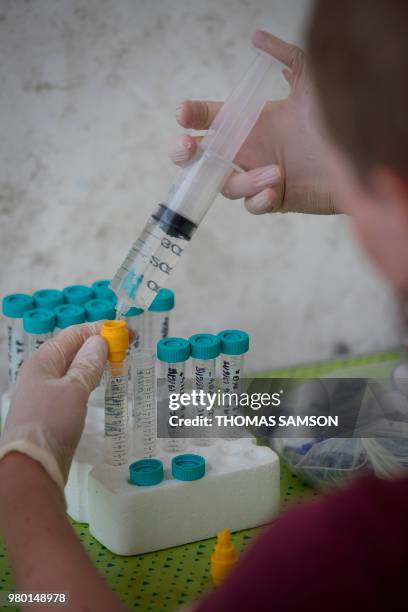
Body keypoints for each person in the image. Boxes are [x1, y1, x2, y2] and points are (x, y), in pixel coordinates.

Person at [1, 0, 408, 609]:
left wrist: (23, 471)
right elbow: (371, 415)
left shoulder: (351, 553)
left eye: (349, 166)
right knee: (237, 406)